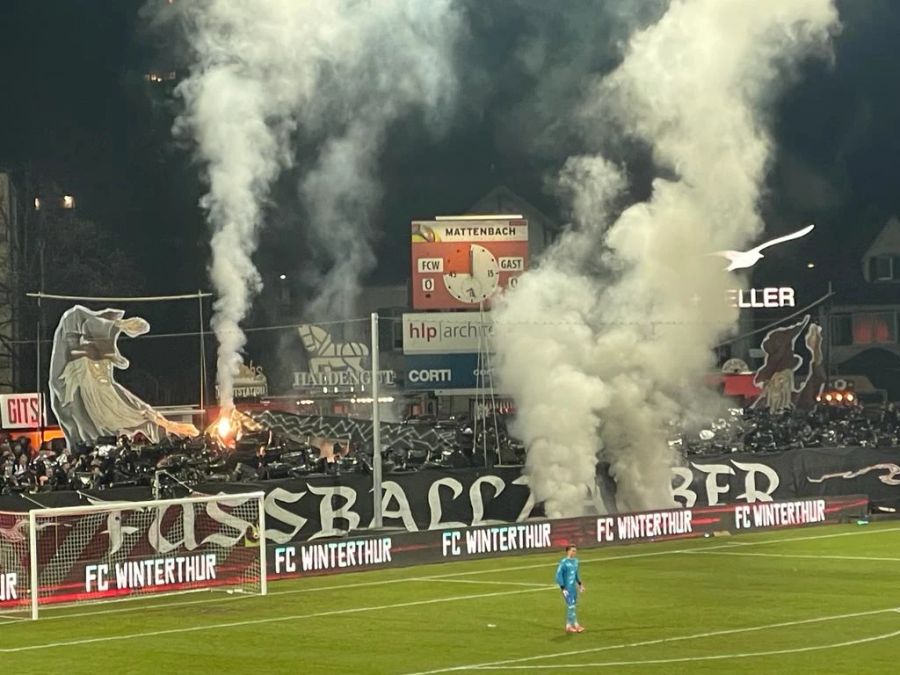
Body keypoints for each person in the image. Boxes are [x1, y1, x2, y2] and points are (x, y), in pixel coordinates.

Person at [555, 544, 585, 633]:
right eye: (572, 551)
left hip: (573, 589)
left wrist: (580, 584)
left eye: (575, 551)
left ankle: (568, 626)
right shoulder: (563, 562)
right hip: (567, 589)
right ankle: (576, 625)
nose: (574, 553)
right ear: (568, 551)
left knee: (572, 607)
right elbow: (558, 575)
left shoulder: (576, 561)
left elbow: (576, 574)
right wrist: (563, 588)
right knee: (571, 606)